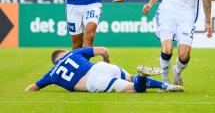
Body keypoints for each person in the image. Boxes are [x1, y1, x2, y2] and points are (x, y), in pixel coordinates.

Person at [25, 47, 184, 93]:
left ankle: (142, 76)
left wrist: (26, 91)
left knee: (135, 90)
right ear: (64, 53)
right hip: (100, 67)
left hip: (93, 82)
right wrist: (106, 62)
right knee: (131, 78)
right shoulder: (74, 53)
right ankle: (165, 85)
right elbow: (103, 50)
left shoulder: (51, 74)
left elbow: (32, 88)